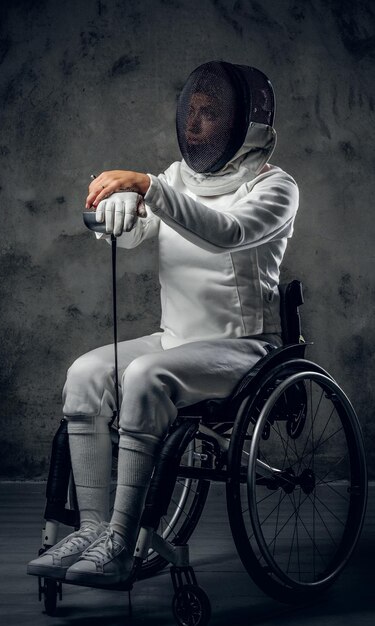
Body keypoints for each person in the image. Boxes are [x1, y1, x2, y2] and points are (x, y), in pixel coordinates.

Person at [27, 60, 299, 587]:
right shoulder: (177, 178)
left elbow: (226, 231)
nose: (196, 125)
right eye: (191, 112)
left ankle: (122, 541)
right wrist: (121, 209)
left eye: (211, 114)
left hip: (243, 351)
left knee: (148, 374)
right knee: (85, 372)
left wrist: (148, 186)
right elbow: (139, 232)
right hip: (175, 342)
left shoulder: (277, 188)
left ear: (246, 122)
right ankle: (90, 529)